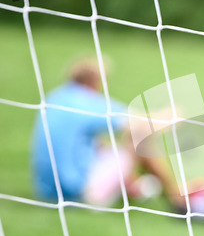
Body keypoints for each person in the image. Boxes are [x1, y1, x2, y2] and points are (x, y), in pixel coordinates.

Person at [31, 58, 181, 207]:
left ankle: (137, 186)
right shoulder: (87, 101)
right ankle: (176, 195)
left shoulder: (55, 97)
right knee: (137, 140)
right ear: (94, 81)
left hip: (46, 190)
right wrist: (172, 115)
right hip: (77, 191)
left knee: (102, 146)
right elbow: (139, 124)